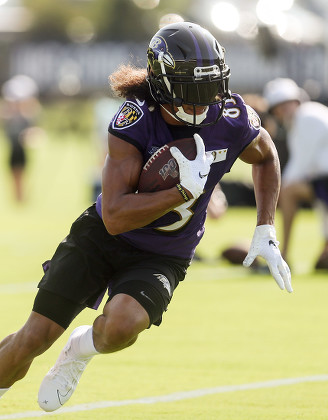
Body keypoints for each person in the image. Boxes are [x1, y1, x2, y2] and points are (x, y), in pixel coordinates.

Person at [0, 22, 292, 412]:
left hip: (165, 252)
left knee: (121, 327)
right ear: (164, 84)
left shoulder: (232, 114)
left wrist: (266, 226)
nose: (205, 104)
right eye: (193, 92)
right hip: (103, 237)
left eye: (211, 89)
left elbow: (266, 153)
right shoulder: (135, 119)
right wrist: (181, 193)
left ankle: (80, 350)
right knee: (31, 341)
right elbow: (117, 216)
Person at [263, 77, 328, 268]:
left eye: (286, 104)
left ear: (296, 101)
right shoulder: (310, 115)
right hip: (323, 181)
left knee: (288, 191)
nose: (282, 111)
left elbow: (299, 167)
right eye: (278, 107)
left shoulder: (306, 118)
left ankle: (282, 255)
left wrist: (275, 188)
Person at [1, 75, 40, 202]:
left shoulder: (27, 116)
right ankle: (18, 197)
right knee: (14, 173)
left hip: (21, 148)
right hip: (13, 147)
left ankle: (21, 197)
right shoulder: (9, 115)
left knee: (22, 172)